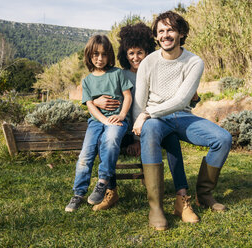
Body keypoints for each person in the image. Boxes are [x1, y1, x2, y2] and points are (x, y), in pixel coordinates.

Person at [132, 11, 232, 230]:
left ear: (181, 33)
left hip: (183, 116)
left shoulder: (194, 62)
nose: (165, 35)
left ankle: (204, 195)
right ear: (156, 36)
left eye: (170, 30)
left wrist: (148, 114)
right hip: (156, 121)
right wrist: (140, 121)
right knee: (149, 132)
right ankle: (156, 207)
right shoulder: (148, 62)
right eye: (161, 31)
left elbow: (181, 100)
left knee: (223, 139)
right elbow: (139, 104)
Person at [92, 23, 200, 224]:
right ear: (125, 54)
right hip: (126, 129)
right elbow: (101, 93)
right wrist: (96, 101)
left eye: (140, 53)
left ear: (148, 52)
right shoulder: (121, 75)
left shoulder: (158, 70)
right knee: (104, 142)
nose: (135, 58)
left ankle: (181, 196)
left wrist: (193, 98)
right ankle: (111, 191)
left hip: (154, 125)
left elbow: (175, 98)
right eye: (130, 53)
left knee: (173, 143)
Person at [65, 35, 133, 212]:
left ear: (109, 55)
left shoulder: (117, 74)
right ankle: (78, 194)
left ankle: (102, 182)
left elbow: (127, 96)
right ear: (89, 55)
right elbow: (89, 105)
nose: (100, 59)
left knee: (109, 141)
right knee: (85, 155)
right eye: (95, 54)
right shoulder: (87, 81)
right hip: (96, 123)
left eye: (104, 54)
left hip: (116, 120)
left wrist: (122, 115)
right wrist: (103, 120)